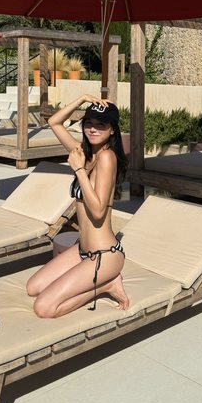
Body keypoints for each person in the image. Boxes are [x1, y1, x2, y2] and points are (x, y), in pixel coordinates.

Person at [26, 94, 130, 318]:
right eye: (88, 123)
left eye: (100, 125)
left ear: (112, 130)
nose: (92, 129)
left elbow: (98, 211)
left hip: (104, 255)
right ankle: (100, 280)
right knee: (33, 288)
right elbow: (54, 122)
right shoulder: (83, 152)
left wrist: (79, 170)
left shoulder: (107, 158)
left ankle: (106, 285)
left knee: (44, 308)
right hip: (82, 249)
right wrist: (81, 99)